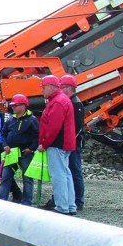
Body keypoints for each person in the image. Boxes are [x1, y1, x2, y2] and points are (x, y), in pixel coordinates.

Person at [38, 75, 77, 215]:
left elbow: (53, 127)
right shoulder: (62, 100)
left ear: (50, 87)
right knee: (66, 173)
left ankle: (62, 206)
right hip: (64, 143)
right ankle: (70, 205)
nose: (42, 90)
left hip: (57, 143)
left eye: (43, 87)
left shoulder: (57, 102)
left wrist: (44, 143)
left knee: (58, 174)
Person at [0, 94, 38, 205]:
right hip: (11, 153)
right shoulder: (11, 119)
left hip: (25, 154)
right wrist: (5, 145)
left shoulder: (32, 120)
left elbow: (37, 137)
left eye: (16, 105)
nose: (13, 107)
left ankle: (26, 202)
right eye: (13, 106)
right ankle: (2, 200)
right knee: (6, 177)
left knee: (27, 179)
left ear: (24, 106)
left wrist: (31, 149)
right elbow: (3, 134)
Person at [60, 75, 86, 211]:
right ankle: (75, 199)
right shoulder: (74, 102)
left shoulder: (75, 104)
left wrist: (67, 141)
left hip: (74, 143)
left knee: (74, 171)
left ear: (68, 88)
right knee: (71, 171)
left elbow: (76, 126)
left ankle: (78, 200)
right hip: (72, 142)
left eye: (62, 87)